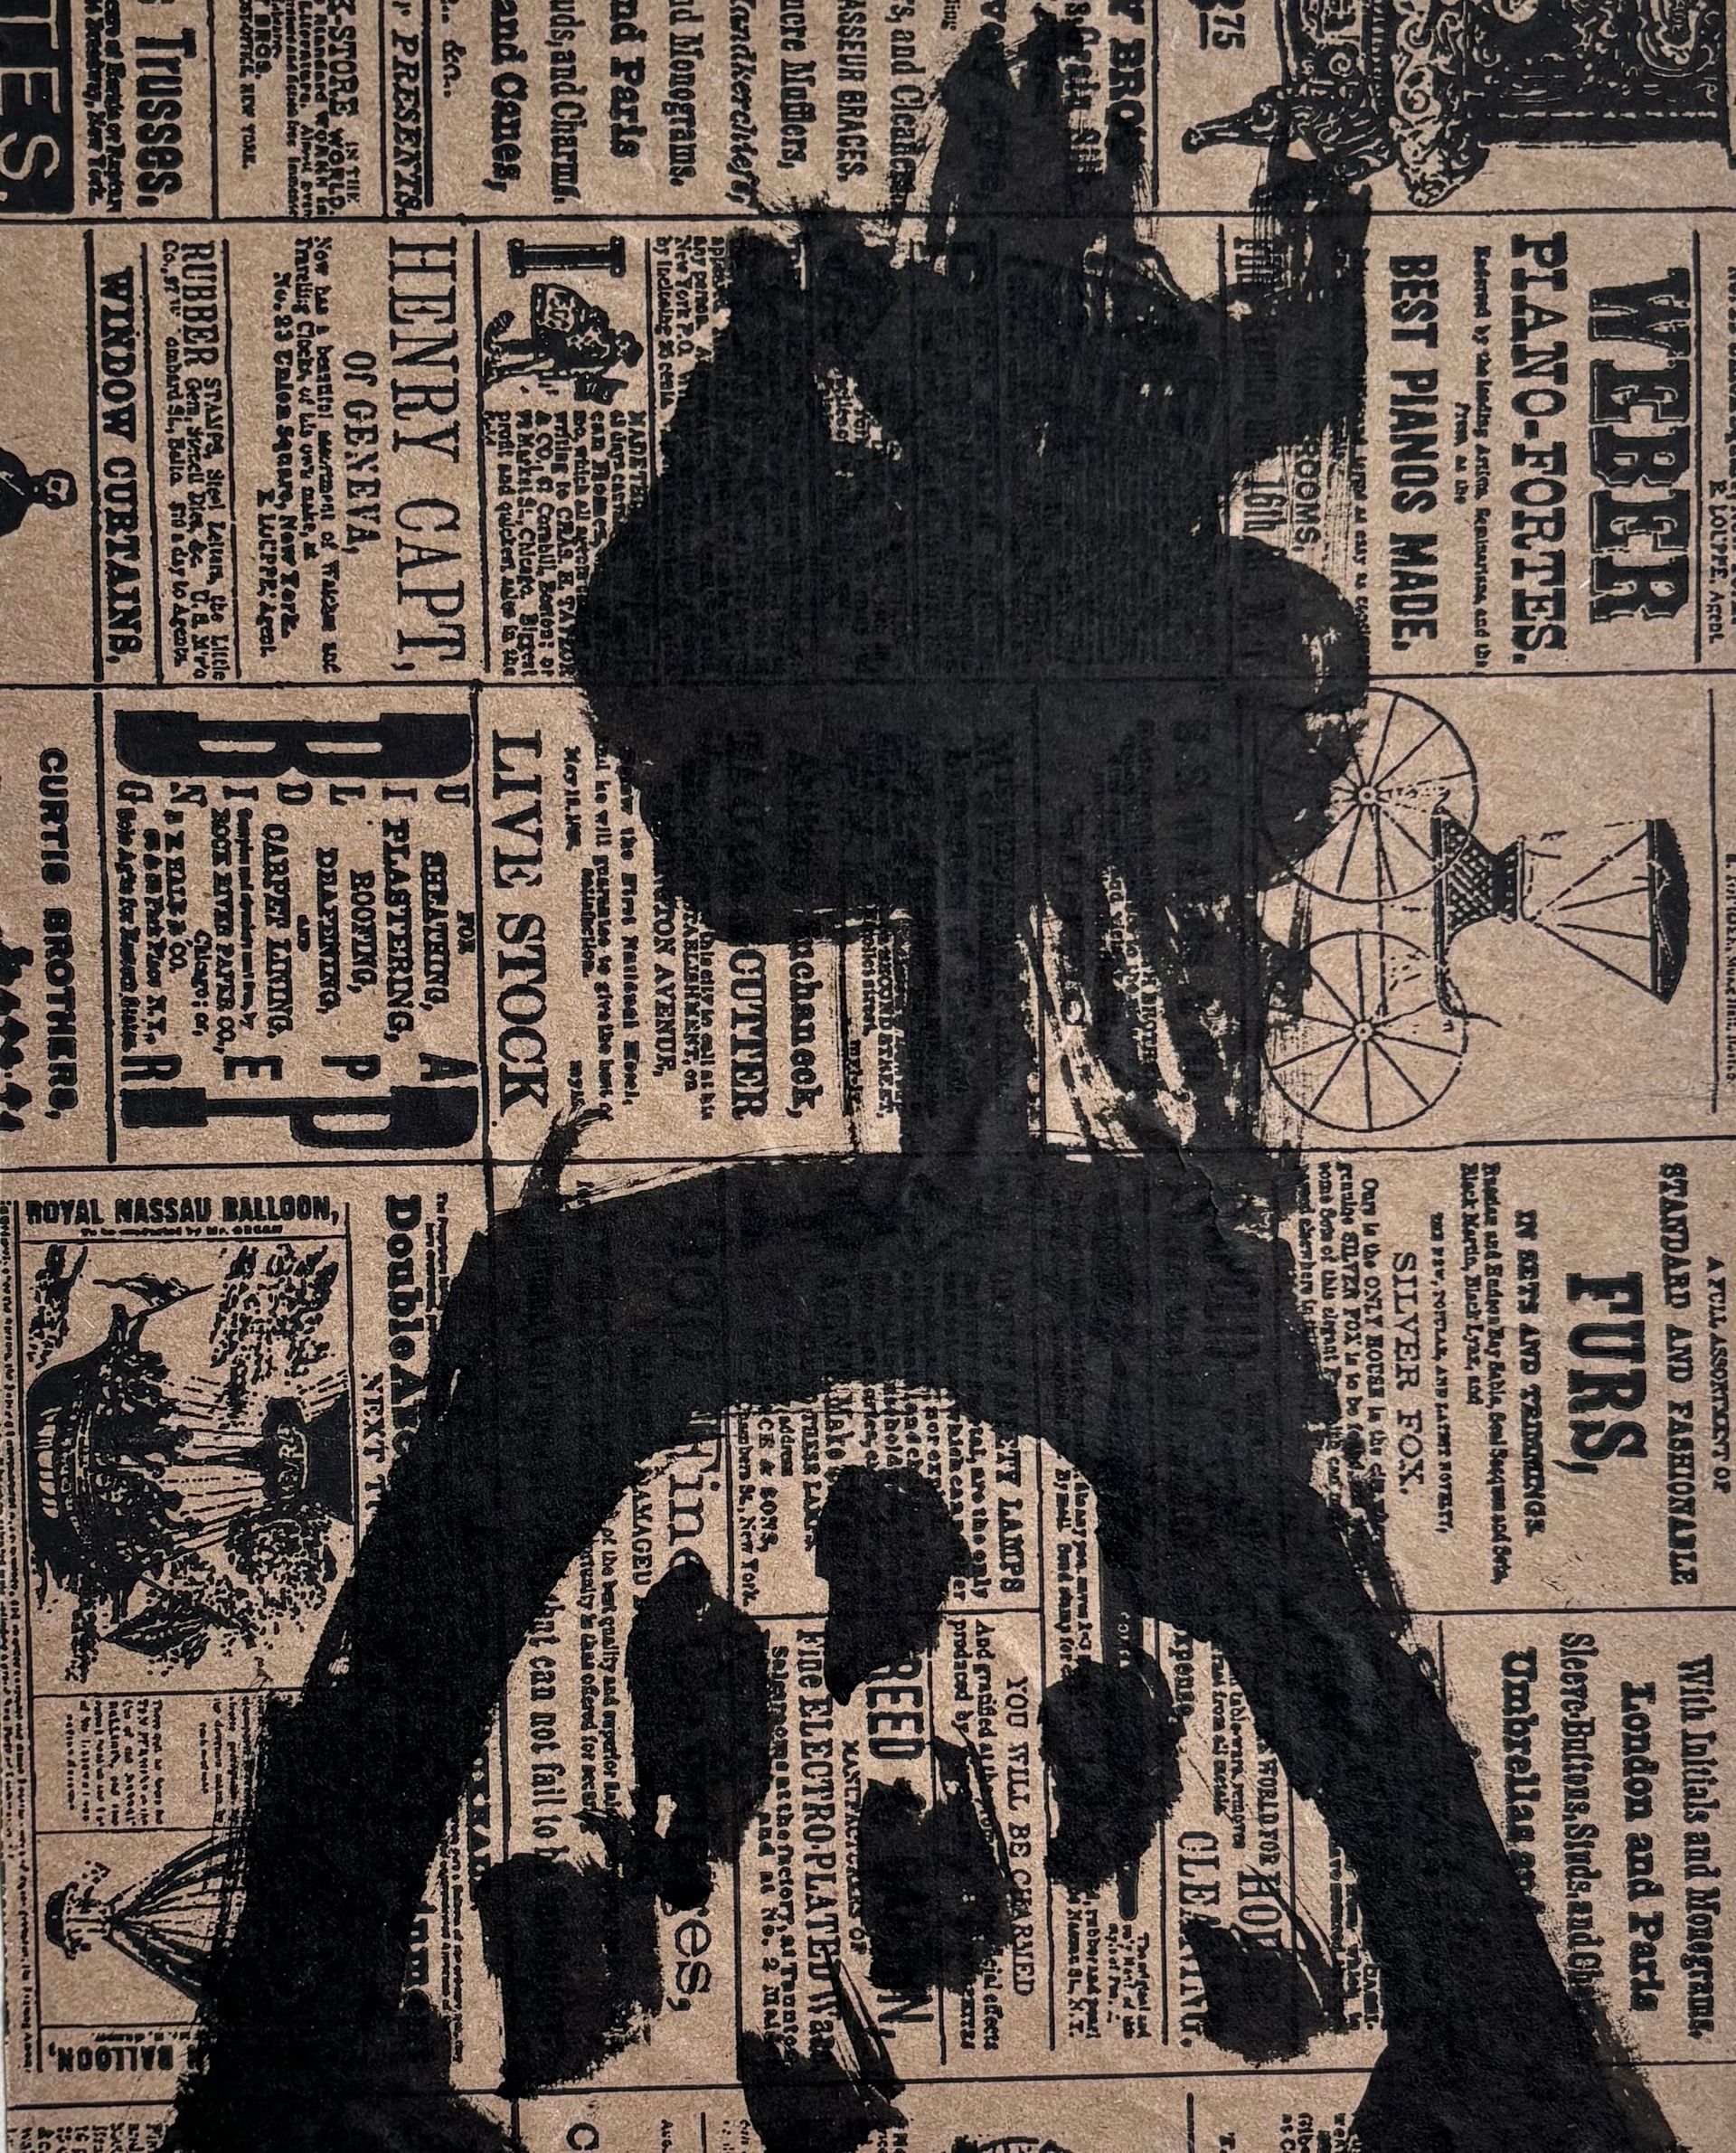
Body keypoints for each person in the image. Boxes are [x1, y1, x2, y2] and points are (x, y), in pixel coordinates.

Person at [171, 19, 1670, 2153]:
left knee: (1097, 1410)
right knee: (668, 1365)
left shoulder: (1052, 465)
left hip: (994, 1056)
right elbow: (756, 641)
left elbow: (1183, 462)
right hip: (933, 974)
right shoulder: (946, 490)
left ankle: (301, 2032)